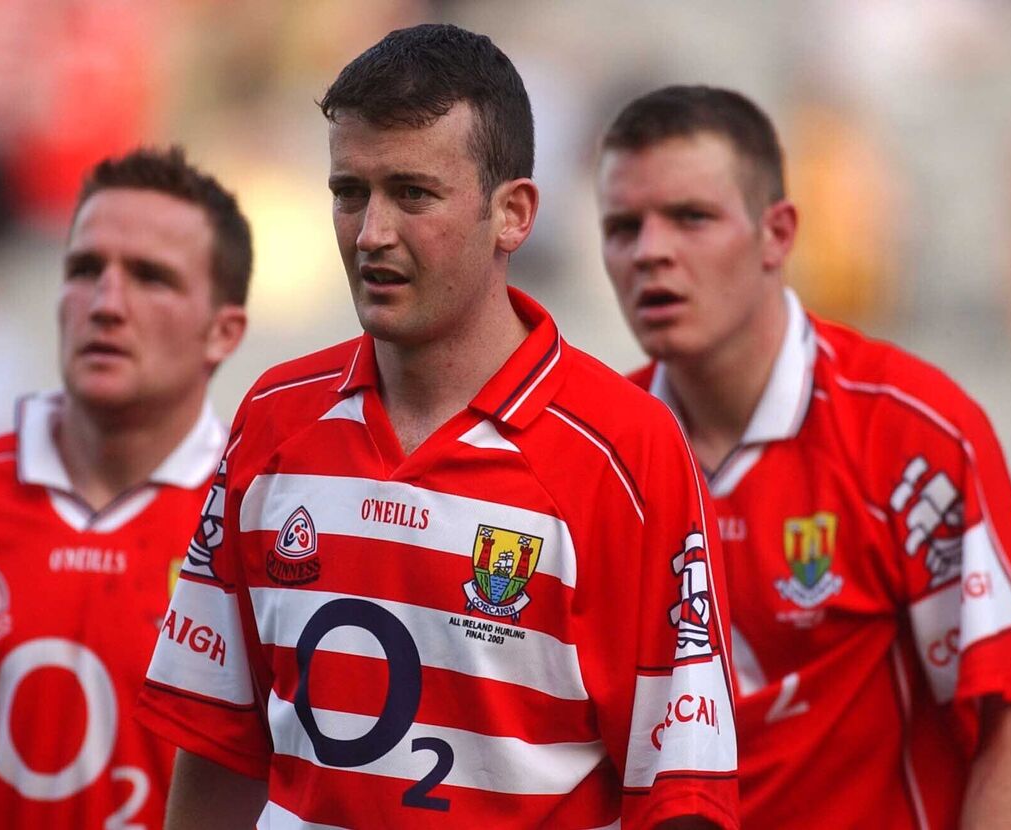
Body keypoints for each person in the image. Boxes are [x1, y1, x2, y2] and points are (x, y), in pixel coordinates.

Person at [136, 24, 738, 830]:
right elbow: (217, 747)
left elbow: (681, 794)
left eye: (412, 194)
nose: (371, 233)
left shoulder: (626, 454)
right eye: (350, 193)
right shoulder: (274, 420)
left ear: (514, 214)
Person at [595, 85, 1011, 828]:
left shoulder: (911, 433)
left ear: (778, 234)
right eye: (623, 226)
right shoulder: (592, 452)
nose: (651, 250)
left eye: (691, 217)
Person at [0, 146, 252, 829]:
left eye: (150, 278)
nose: (106, 302)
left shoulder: (260, 529)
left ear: (222, 333)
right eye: (84, 269)